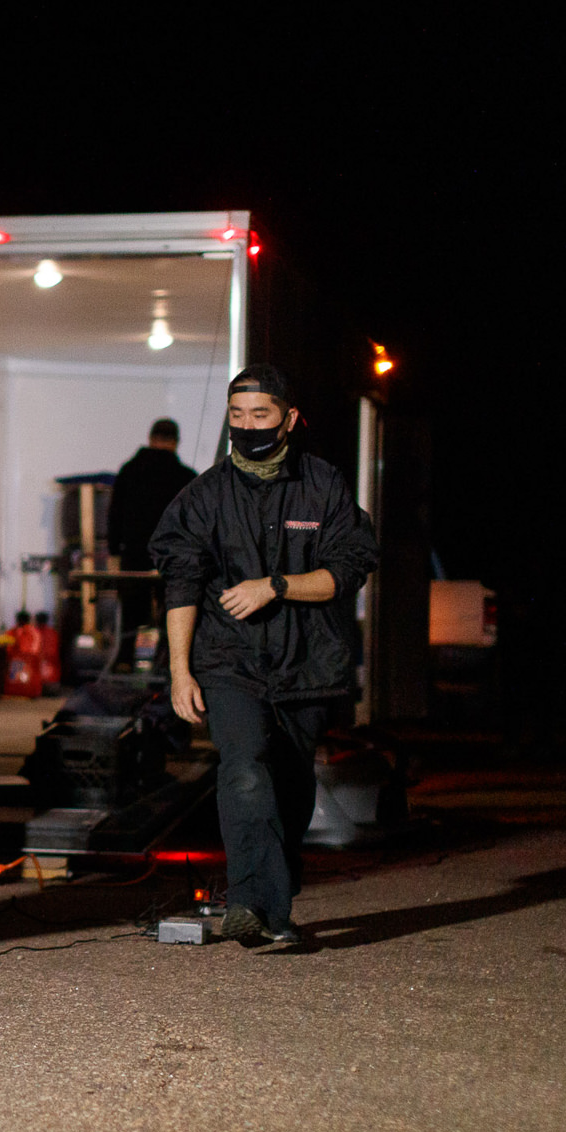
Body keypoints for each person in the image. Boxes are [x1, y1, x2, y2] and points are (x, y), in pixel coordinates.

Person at [148, 369, 379, 948]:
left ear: (289, 419)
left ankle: (272, 898)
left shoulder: (323, 486)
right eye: (237, 415)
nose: (247, 426)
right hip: (229, 662)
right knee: (245, 768)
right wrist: (179, 672)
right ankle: (254, 906)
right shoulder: (203, 497)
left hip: (306, 663)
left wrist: (275, 586)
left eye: (260, 415)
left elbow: (346, 571)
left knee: (293, 788)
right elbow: (180, 585)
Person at [108, 418, 196, 572]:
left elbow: (115, 514)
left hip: (134, 557)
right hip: (172, 559)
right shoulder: (187, 477)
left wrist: (114, 550)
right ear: (176, 442)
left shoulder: (129, 471)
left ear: (150, 438)